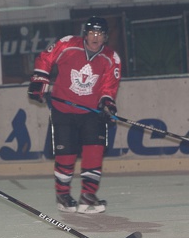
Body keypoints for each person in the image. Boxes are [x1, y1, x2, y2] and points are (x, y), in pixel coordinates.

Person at [28, 16, 122, 214]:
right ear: (85, 34)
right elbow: (45, 58)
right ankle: (63, 195)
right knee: (66, 154)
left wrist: (107, 104)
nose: (95, 37)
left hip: (91, 113)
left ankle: (88, 195)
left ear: (105, 37)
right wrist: (39, 83)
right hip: (63, 110)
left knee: (94, 151)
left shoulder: (111, 58)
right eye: (92, 33)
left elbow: (109, 87)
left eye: (100, 34)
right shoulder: (68, 44)